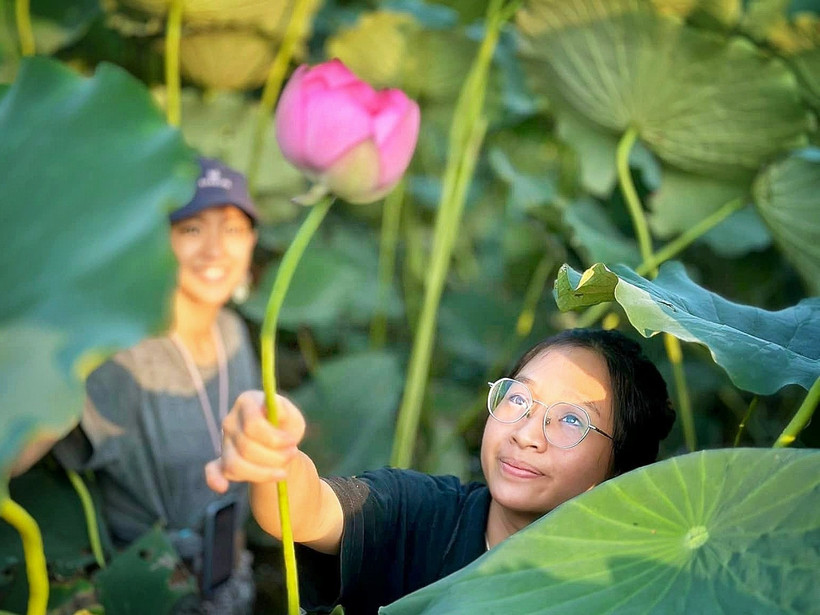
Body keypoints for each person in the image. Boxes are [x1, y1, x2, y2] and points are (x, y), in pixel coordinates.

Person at [205, 328, 677, 614]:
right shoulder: (419, 512)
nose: (526, 433)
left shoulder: (627, 590)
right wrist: (272, 453)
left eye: (570, 419)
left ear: (620, 466)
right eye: (519, 399)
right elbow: (308, 510)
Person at [12, 157, 261, 614]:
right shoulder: (115, 351)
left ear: (252, 241)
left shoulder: (234, 333)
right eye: (191, 229)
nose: (214, 251)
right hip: (149, 593)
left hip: (233, 578)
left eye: (232, 229)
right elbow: (14, 444)